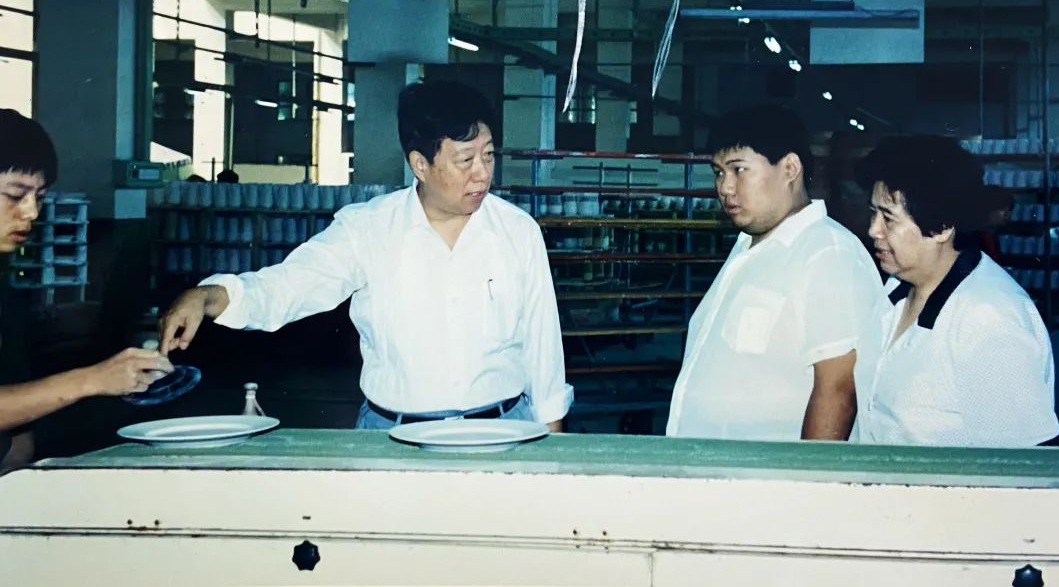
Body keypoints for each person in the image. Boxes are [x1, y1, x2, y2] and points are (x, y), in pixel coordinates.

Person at [159, 80, 572, 431]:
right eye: (466, 160)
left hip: (501, 431)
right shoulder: (367, 230)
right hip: (393, 437)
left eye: (489, 155)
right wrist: (208, 296)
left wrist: (553, 448)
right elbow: (290, 286)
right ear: (420, 164)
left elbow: (544, 352)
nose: (482, 173)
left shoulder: (517, 232)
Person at [666, 105, 887, 442]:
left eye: (739, 170)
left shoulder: (827, 254)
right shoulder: (748, 247)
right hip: (717, 470)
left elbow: (839, 389)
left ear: (790, 168)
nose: (725, 187)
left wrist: (809, 474)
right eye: (719, 172)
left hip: (769, 473)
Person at [854, 135, 1059, 447]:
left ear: (942, 226)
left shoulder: (988, 319)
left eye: (889, 218)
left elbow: (1031, 464)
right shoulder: (895, 289)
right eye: (874, 212)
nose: (873, 229)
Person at [0, 109, 174, 466]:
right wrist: (93, 379)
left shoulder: (7, 295)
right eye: (15, 195)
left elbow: (18, 438)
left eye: (40, 196)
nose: (31, 212)